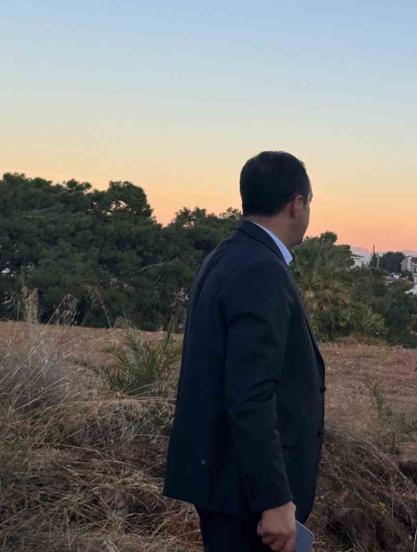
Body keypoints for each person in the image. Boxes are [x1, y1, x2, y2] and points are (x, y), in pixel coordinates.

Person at [163, 151, 325, 552]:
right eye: (309, 203)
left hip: (224, 483)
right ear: (296, 204)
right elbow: (250, 393)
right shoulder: (262, 270)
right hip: (246, 498)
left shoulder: (226, 255)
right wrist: (274, 499)